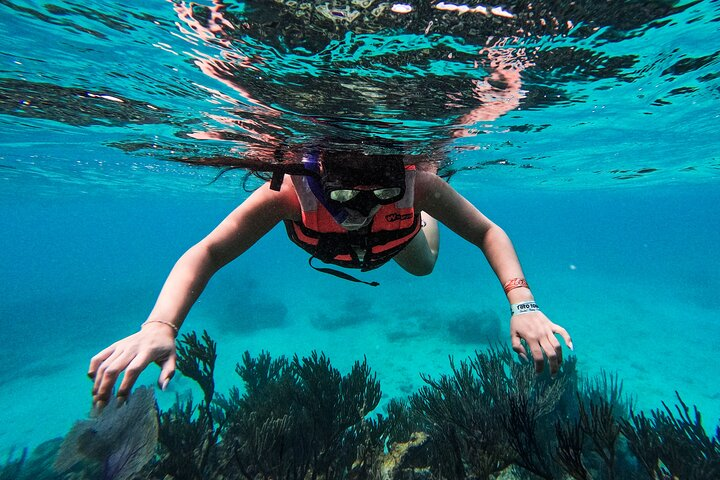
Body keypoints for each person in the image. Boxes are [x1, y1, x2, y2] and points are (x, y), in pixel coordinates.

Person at [88, 147, 573, 409]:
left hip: (401, 241)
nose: (362, 209)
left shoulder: (415, 182)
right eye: (342, 193)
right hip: (337, 243)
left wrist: (524, 304)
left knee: (424, 266)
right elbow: (209, 251)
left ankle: (428, 215)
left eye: (382, 188)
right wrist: (160, 326)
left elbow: (488, 231)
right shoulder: (285, 194)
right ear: (317, 177)